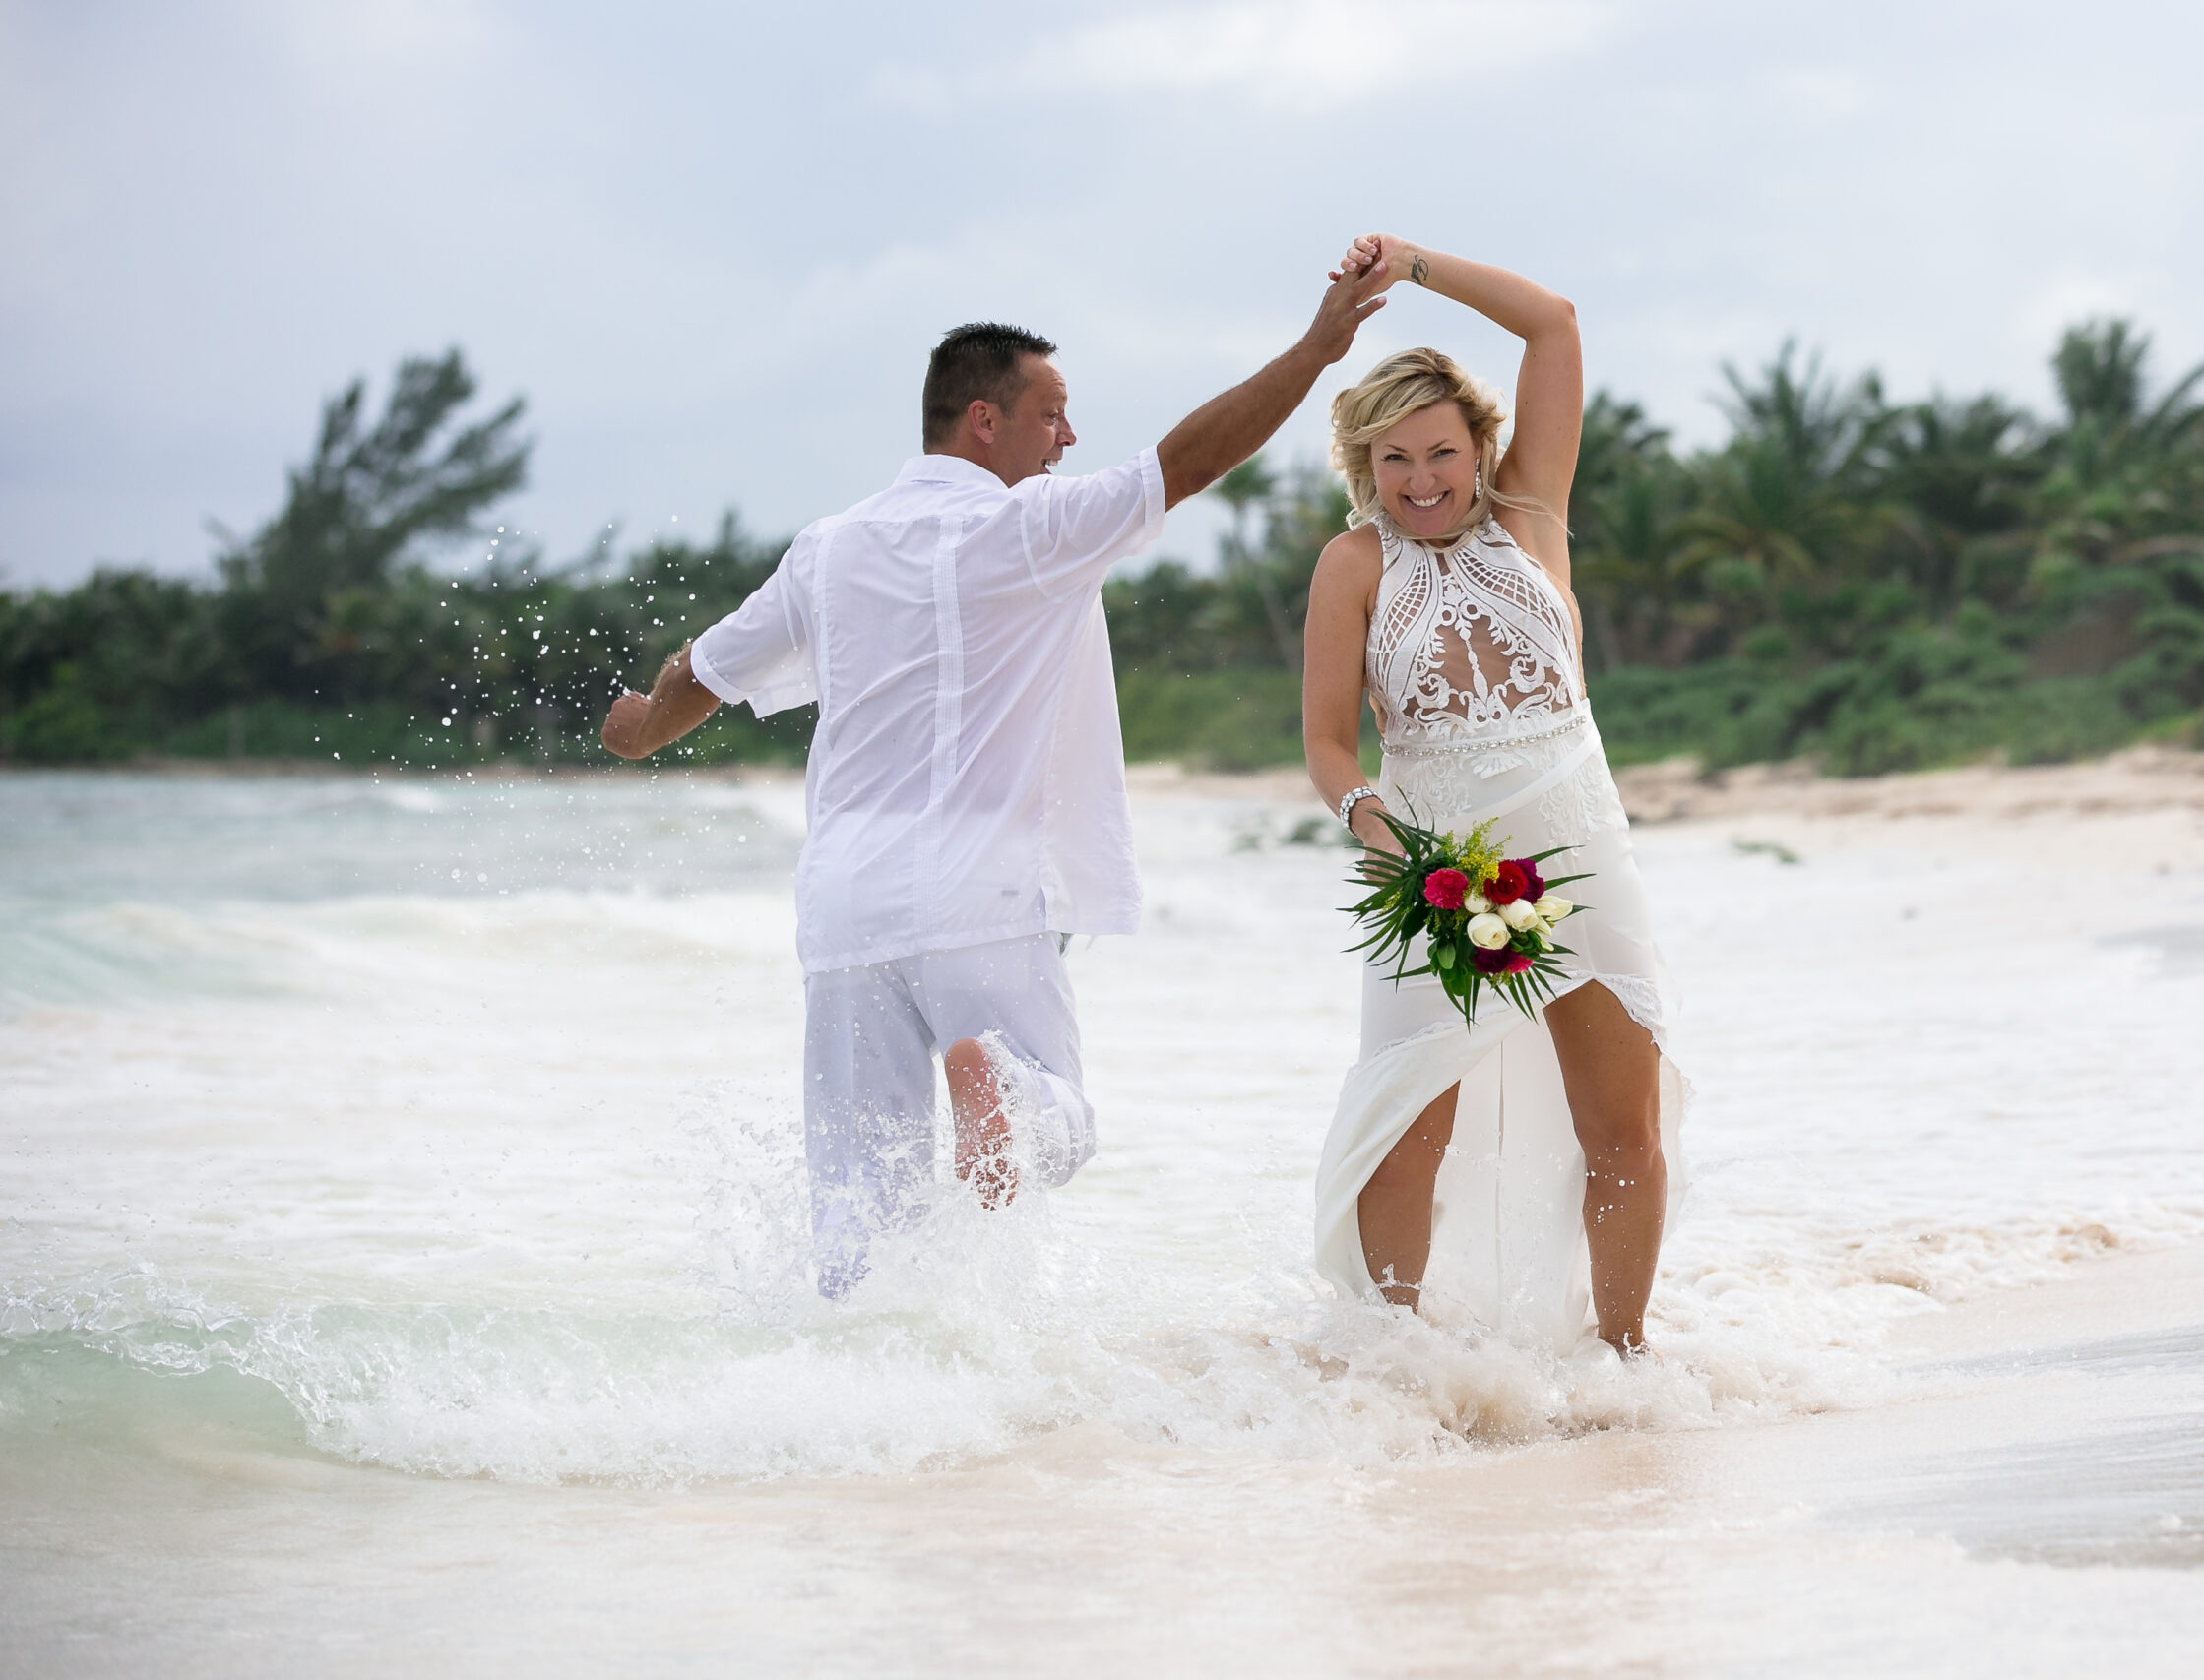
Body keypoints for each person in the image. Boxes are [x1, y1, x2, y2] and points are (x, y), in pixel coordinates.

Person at [602, 268, 1390, 1295]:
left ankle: (854, 1402)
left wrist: (636, 730)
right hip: (978, 895)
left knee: (855, 1207)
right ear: (984, 421)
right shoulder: (1032, 529)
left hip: (844, 908)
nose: (1067, 439)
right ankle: (1008, 1098)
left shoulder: (827, 551)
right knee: (1056, 1119)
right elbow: (1185, 462)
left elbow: (700, 673)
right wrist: (1315, 351)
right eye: (1051, 415)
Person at [1301, 235, 1683, 1357]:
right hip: (1439, 864)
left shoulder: (1533, 523)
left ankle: (1622, 1366)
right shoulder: (1352, 564)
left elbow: (1553, 322)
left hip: (1578, 848)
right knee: (1410, 1121)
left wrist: (1410, 265)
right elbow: (1327, 743)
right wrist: (1371, 825)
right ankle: (1394, 1367)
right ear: (1362, 466)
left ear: (1481, 447)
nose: (1419, 481)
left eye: (1439, 452)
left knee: (1622, 1125)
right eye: (1391, 461)